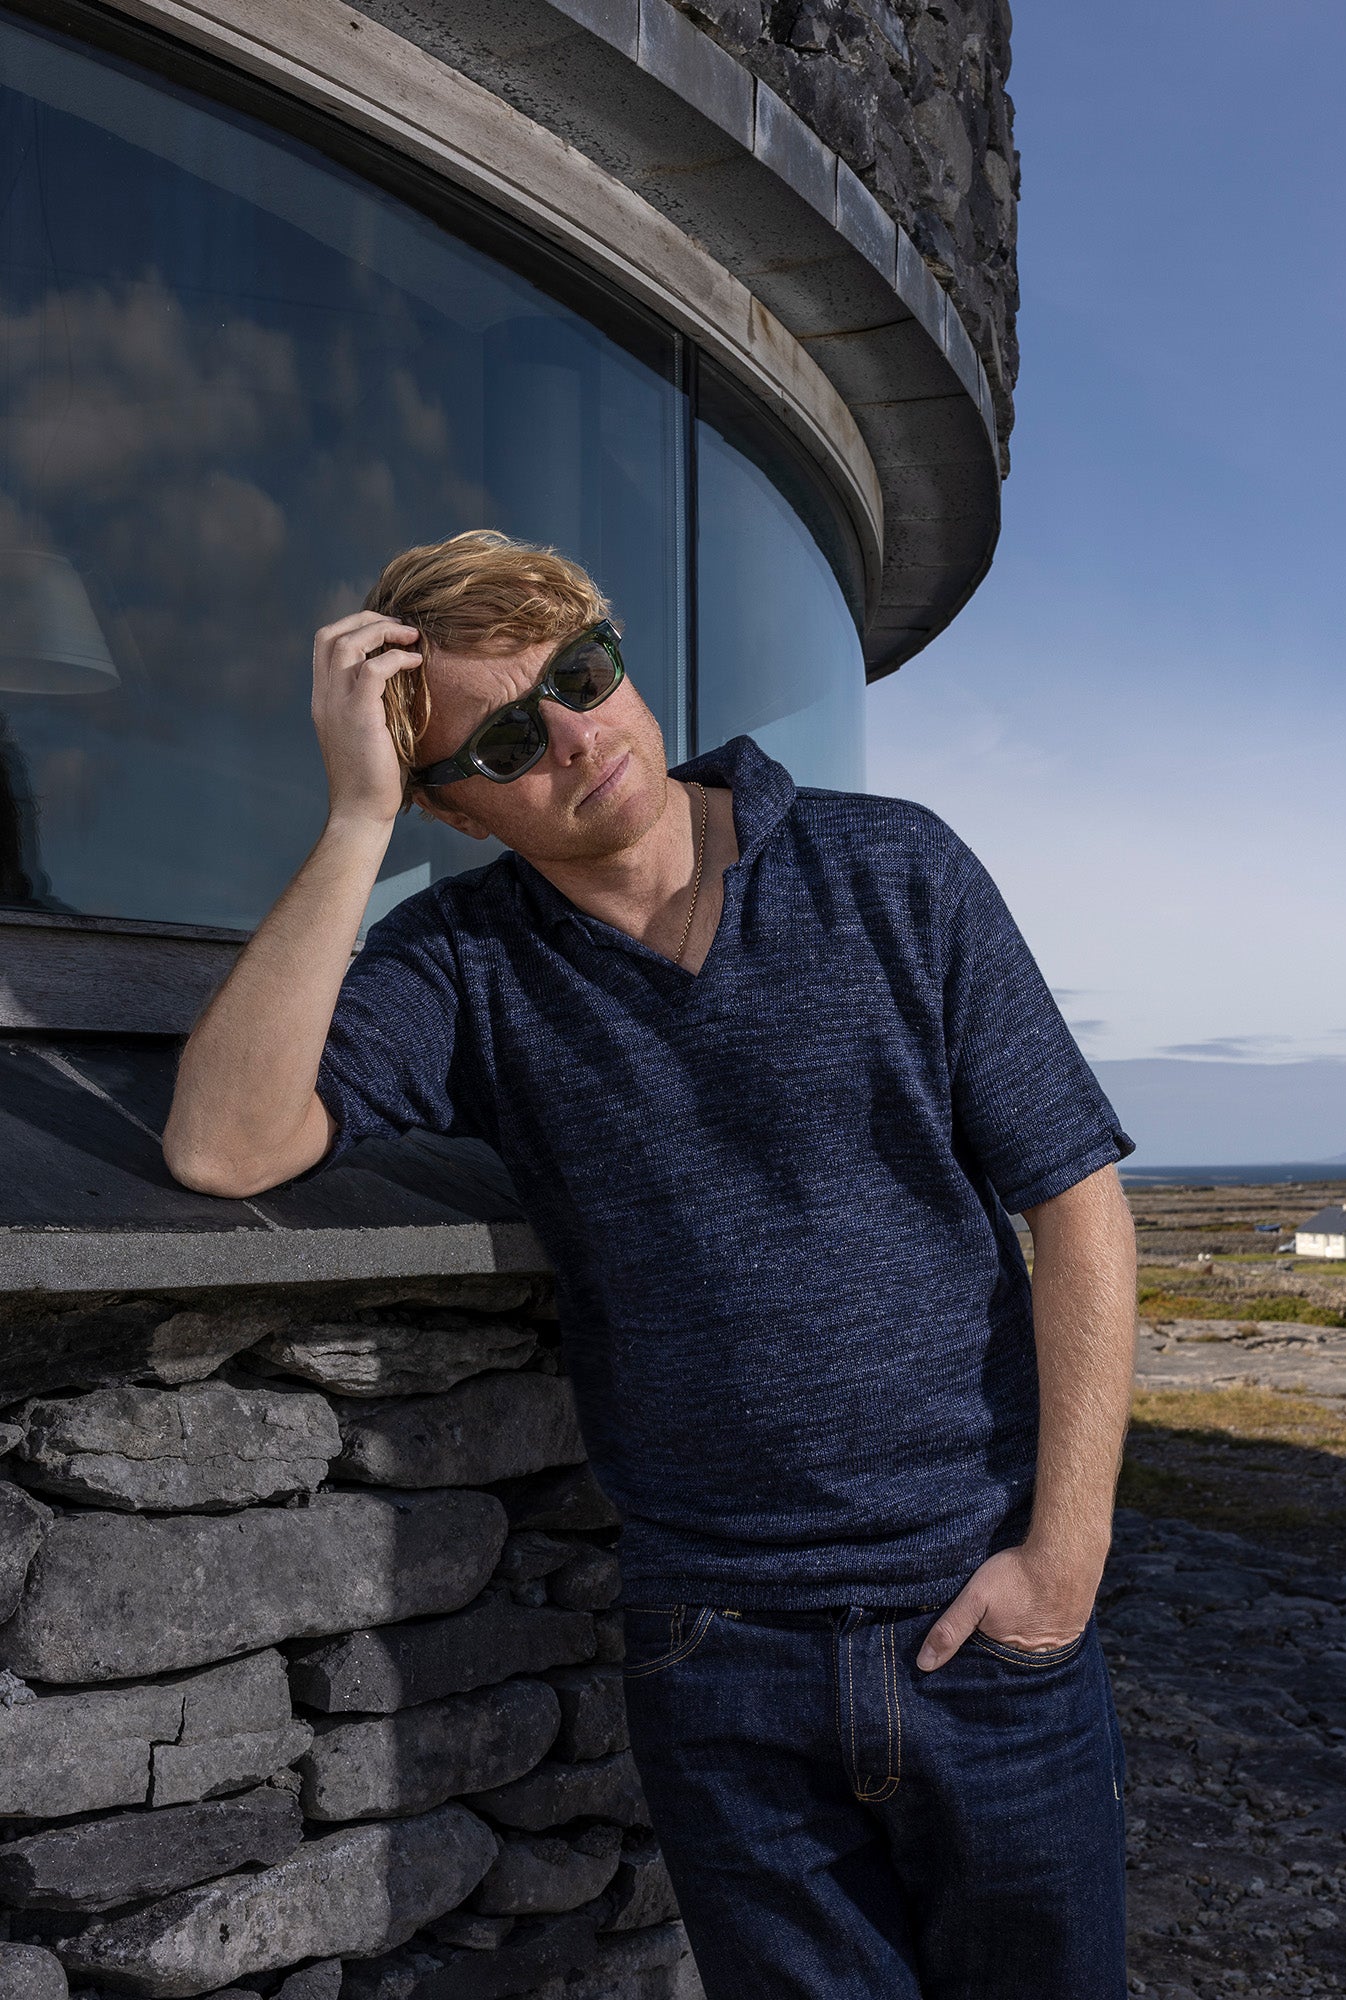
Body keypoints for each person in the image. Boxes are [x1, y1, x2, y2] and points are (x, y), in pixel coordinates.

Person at [164, 528, 1141, 2000]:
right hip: (720, 1654)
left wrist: (1063, 1561)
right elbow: (225, 1144)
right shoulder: (464, 963)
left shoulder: (894, 868)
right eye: (504, 741)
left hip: (985, 1620)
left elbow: (1077, 1202)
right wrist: (361, 815)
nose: (573, 735)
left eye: (580, 673)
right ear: (460, 811)